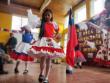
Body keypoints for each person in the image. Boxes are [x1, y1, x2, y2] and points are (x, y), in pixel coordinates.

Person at [28, 9, 65, 83]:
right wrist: (30, 15)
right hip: (43, 41)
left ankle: (46, 77)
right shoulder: (41, 23)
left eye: (48, 15)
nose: (47, 16)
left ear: (51, 16)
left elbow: (58, 30)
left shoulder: (54, 23)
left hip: (50, 42)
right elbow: (34, 24)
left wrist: (55, 36)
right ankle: (41, 73)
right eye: (45, 15)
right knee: (43, 58)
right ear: (43, 16)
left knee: (49, 59)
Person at [88, 0, 110, 67]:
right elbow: (100, 27)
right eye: (106, 5)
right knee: (106, 48)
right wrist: (91, 23)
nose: (106, 6)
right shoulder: (103, 13)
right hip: (108, 34)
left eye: (108, 4)